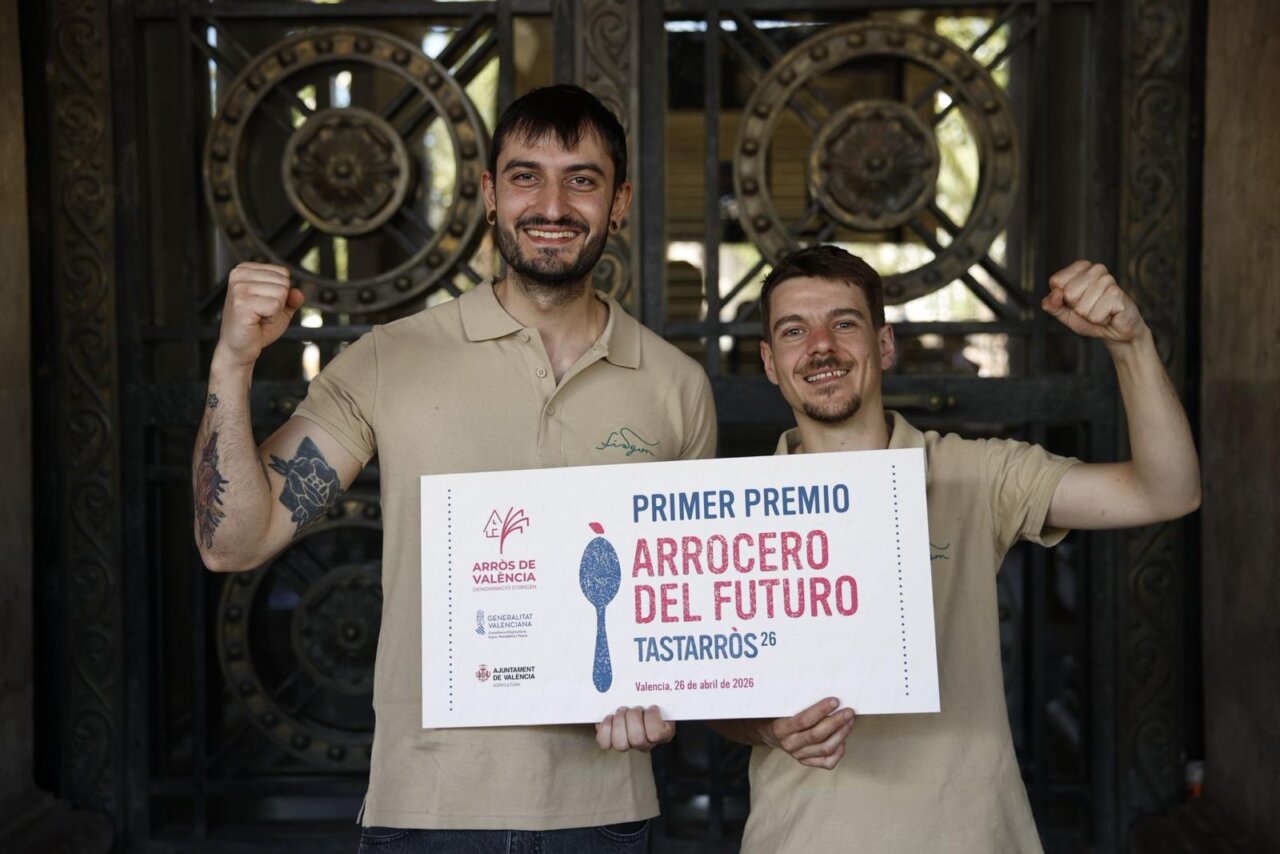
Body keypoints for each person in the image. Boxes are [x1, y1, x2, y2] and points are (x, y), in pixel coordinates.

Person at [192, 85, 717, 852]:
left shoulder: (676, 386)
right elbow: (232, 542)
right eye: (525, 175)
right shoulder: (388, 358)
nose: (552, 203)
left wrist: (669, 691)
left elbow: (690, 609)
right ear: (489, 193)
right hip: (426, 809)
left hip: (603, 810)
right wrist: (233, 361)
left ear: (621, 200)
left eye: (582, 178)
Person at [710, 245, 1199, 853]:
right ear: (770, 362)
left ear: (884, 346)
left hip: (971, 837)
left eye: (843, 323)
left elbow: (1166, 491)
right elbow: (716, 699)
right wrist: (770, 728)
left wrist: (1131, 345)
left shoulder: (974, 473)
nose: (820, 346)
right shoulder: (733, 509)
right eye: (793, 330)